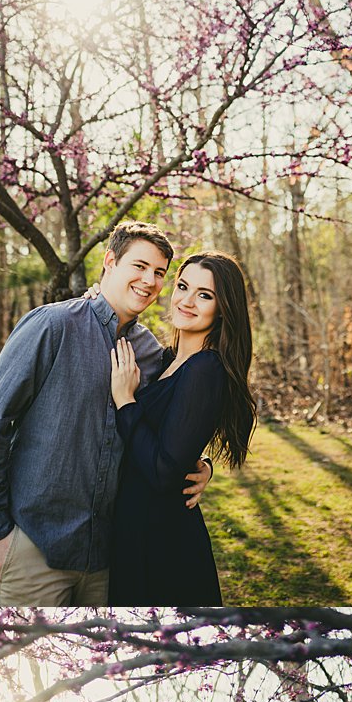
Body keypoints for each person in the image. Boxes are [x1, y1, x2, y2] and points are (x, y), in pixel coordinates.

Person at [0, 224, 212, 603]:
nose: (149, 280)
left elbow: (178, 414)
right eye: (140, 266)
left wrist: (201, 465)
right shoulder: (53, 325)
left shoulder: (149, 351)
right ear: (110, 262)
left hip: (108, 560)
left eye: (159, 273)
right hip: (34, 551)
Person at [106, 250, 256, 602]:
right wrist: (202, 464)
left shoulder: (206, 369)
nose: (187, 301)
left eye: (204, 295)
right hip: (136, 526)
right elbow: (176, 439)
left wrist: (125, 400)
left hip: (162, 539)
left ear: (223, 308)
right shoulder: (169, 360)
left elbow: (163, 473)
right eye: (183, 287)